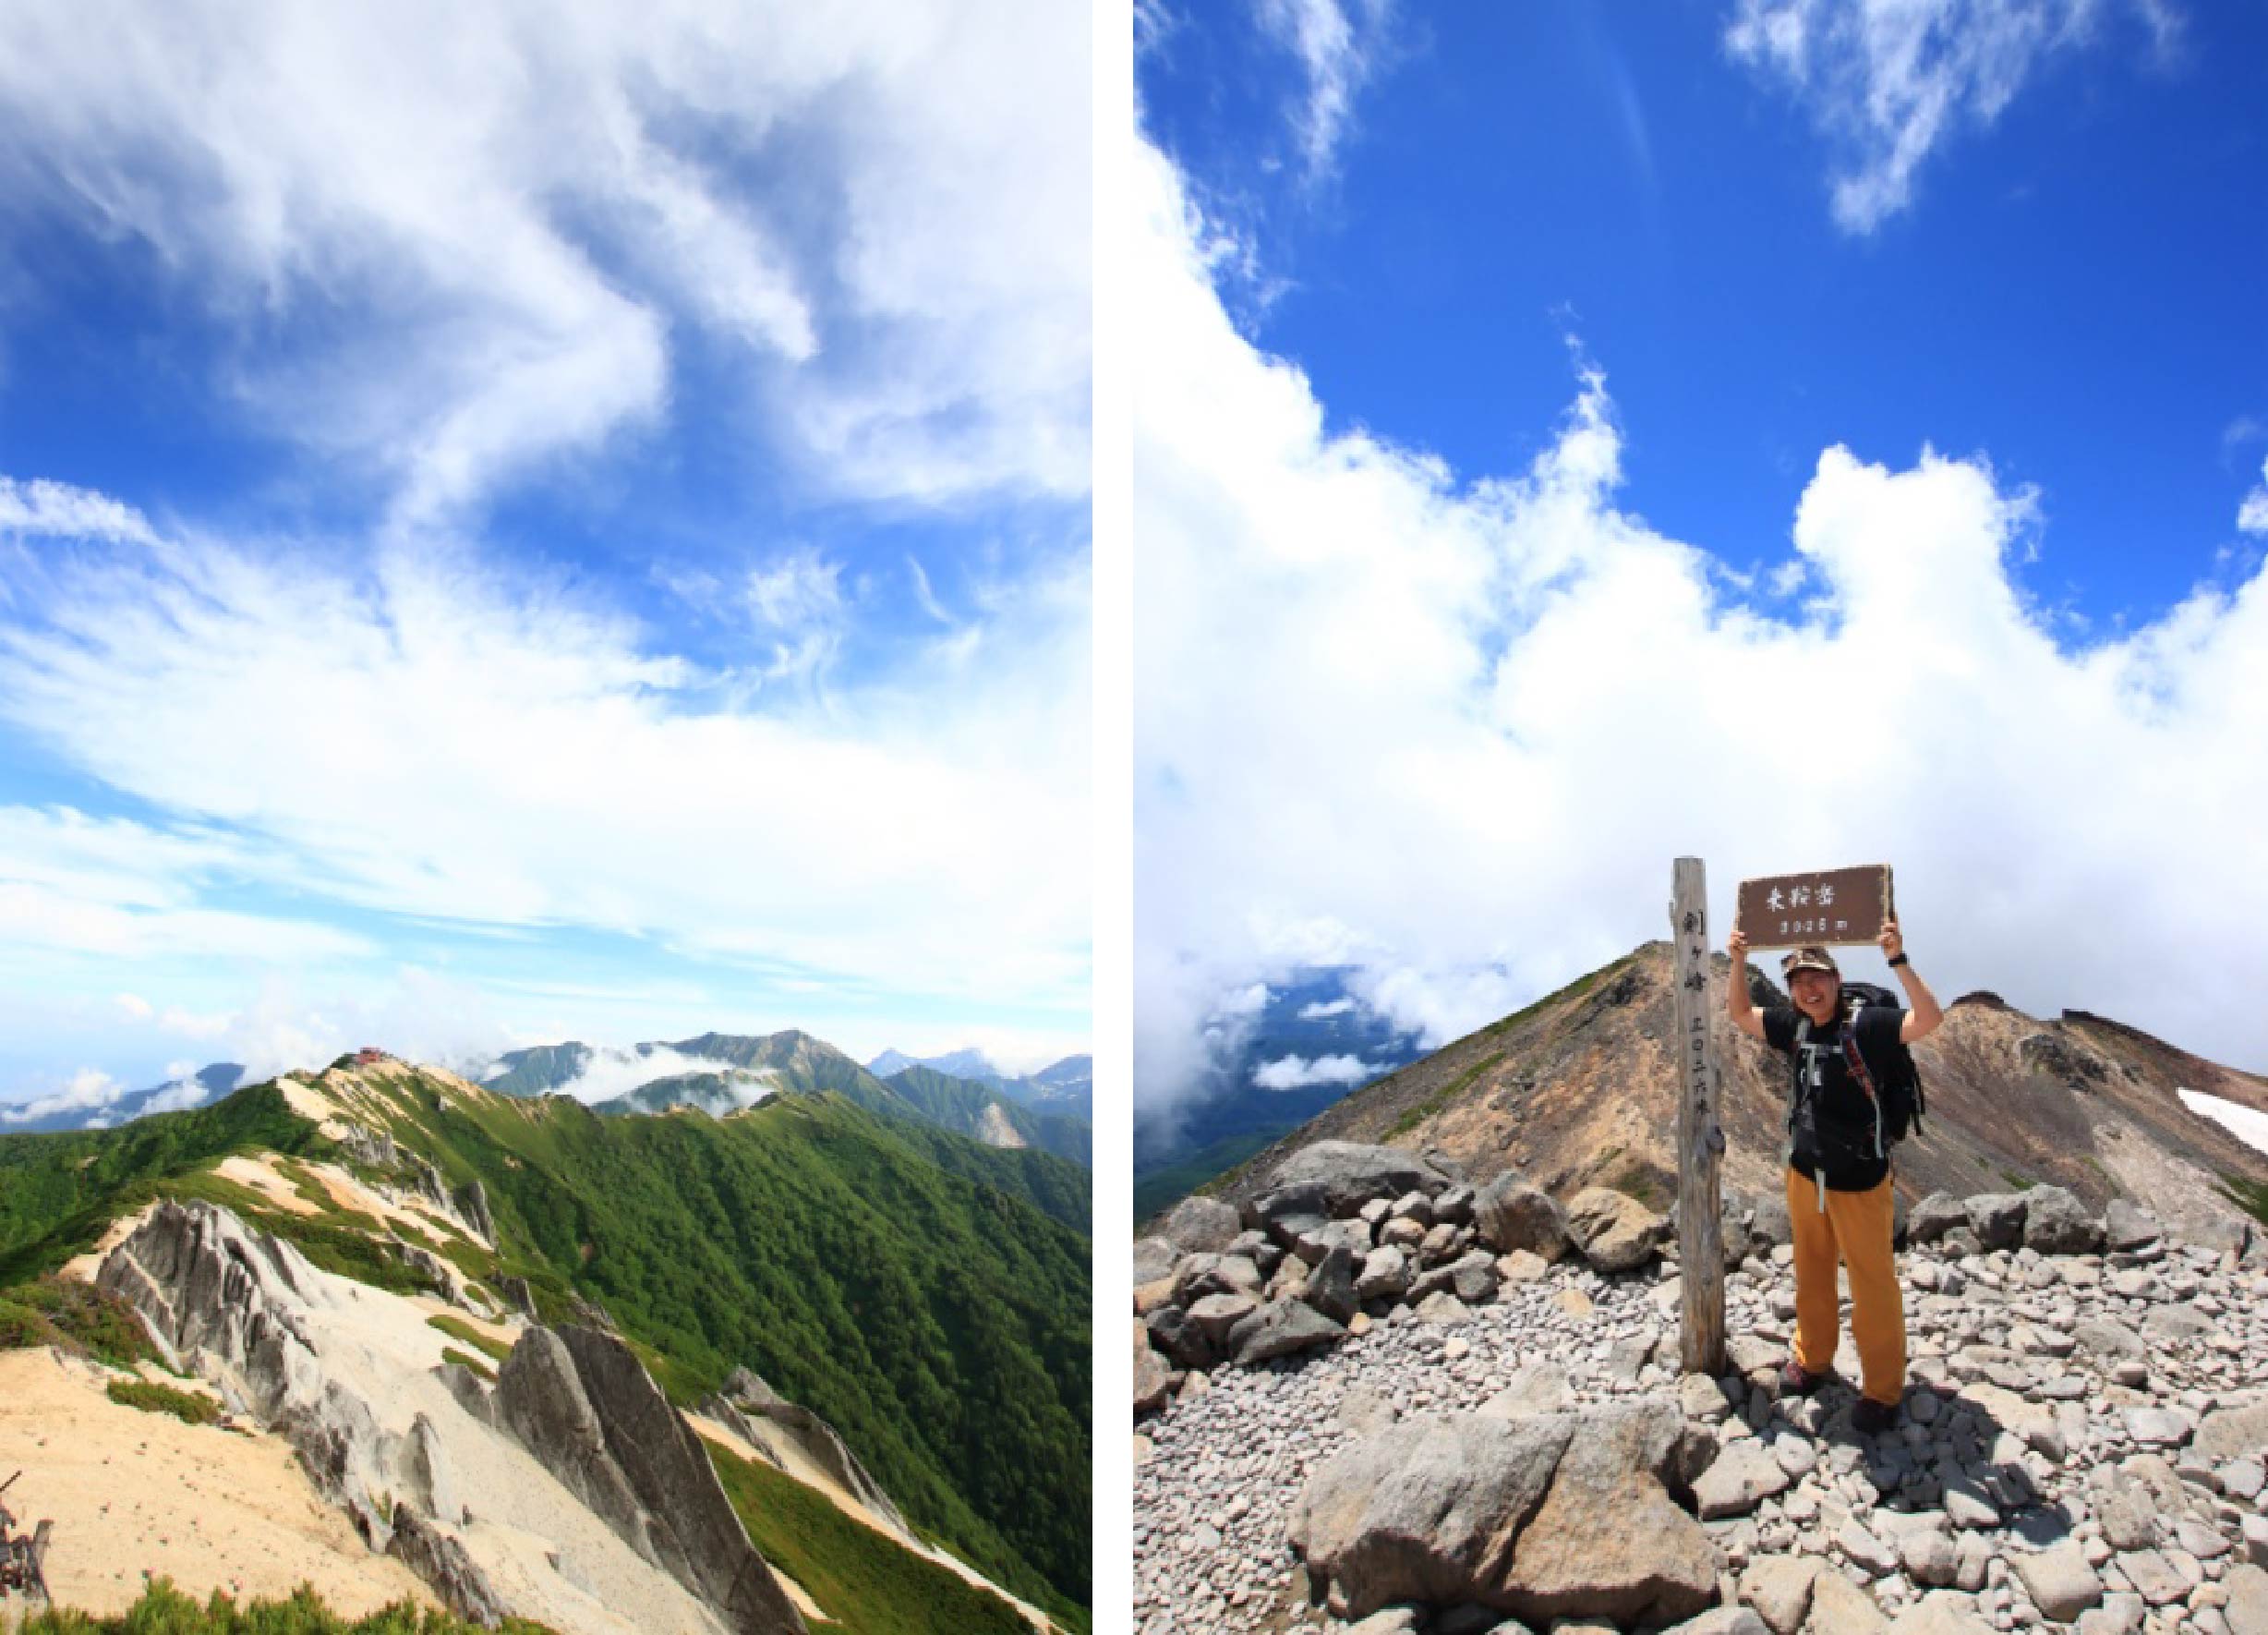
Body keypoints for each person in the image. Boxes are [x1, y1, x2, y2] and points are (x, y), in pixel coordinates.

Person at [1726, 917, 1944, 1435]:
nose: (1809, 988)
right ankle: (1813, 1358)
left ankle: (1882, 1389)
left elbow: (1929, 1019)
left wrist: (1898, 959)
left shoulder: (1865, 1028)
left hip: (1860, 1183)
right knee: (1813, 1273)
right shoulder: (1795, 1026)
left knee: (1872, 1288)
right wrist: (1736, 959)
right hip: (1805, 1176)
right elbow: (1738, 1012)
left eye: (1817, 977)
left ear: (1836, 979)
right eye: (1799, 981)